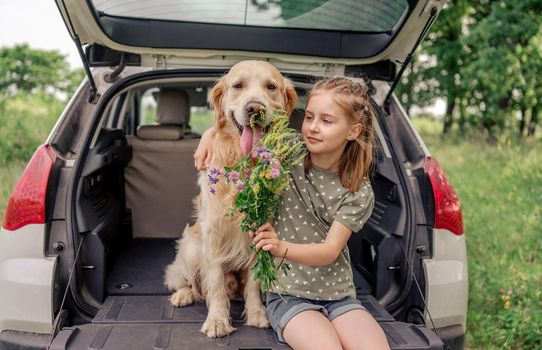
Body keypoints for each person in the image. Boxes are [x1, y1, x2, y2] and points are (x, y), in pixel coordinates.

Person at [194, 77, 390, 350]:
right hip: (290, 296)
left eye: (327, 121)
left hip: (340, 296)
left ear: (354, 131)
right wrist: (209, 135)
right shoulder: (287, 152)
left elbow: (329, 251)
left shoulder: (358, 190)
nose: (312, 127)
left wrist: (278, 247)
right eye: (308, 117)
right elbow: (235, 130)